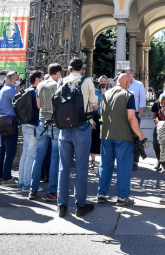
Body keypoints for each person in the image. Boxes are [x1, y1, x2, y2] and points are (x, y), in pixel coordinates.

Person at [97, 72, 147, 207]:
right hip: (123, 137)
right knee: (123, 167)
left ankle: (101, 194)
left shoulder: (105, 94)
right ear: (126, 83)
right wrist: (141, 136)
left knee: (105, 166)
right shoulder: (127, 96)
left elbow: (102, 113)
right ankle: (122, 197)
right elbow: (131, 118)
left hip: (106, 136)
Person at [56, 57, 98, 218]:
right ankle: (80, 205)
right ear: (82, 68)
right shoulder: (87, 82)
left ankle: (62, 206)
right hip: (82, 127)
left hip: (65, 128)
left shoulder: (62, 81)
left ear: (69, 68)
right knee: (81, 167)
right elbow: (94, 105)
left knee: (63, 167)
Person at [29, 63, 63, 201]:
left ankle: (33, 189)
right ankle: (52, 191)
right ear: (59, 73)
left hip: (42, 123)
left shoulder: (40, 85)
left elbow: (38, 105)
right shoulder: (58, 87)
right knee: (55, 158)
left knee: (38, 157)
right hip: (55, 123)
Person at [18, 70, 42, 191]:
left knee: (25, 154)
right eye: (41, 78)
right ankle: (27, 184)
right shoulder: (36, 92)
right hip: (33, 125)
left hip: (25, 124)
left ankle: (21, 181)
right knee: (31, 155)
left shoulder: (26, 90)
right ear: (37, 79)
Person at [0, 70, 20, 186]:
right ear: (11, 80)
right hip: (10, 121)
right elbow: (20, 103)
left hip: (3, 120)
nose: (18, 81)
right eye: (17, 79)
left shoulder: (3, 89)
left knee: (2, 149)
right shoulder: (10, 90)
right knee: (10, 151)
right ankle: (6, 177)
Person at [125, 68, 146, 171]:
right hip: (123, 114)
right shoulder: (122, 84)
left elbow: (142, 100)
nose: (126, 76)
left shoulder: (139, 84)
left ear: (132, 75)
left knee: (136, 138)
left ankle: (135, 161)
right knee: (124, 137)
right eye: (125, 74)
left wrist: (140, 114)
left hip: (135, 113)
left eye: (128, 74)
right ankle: (125, 160)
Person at [91, 76, 109, 171]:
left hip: (107, 118)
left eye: (104, 81)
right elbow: (91, 105)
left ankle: (106, 161)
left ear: (107, 82)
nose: (103, 83)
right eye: (101, 81)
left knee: (106, 139)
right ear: (99, 83)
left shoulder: (111, 92)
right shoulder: (95, 92)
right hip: (97, 117)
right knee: (95, 138)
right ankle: (93, 161)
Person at [151, 94, 165, 171]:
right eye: (162, 103)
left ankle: (164, 164)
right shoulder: (156, 104)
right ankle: (159, 160)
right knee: (155, 144)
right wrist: (156, 121)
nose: (163, 104)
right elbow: (154, 115)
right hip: (158, 126)